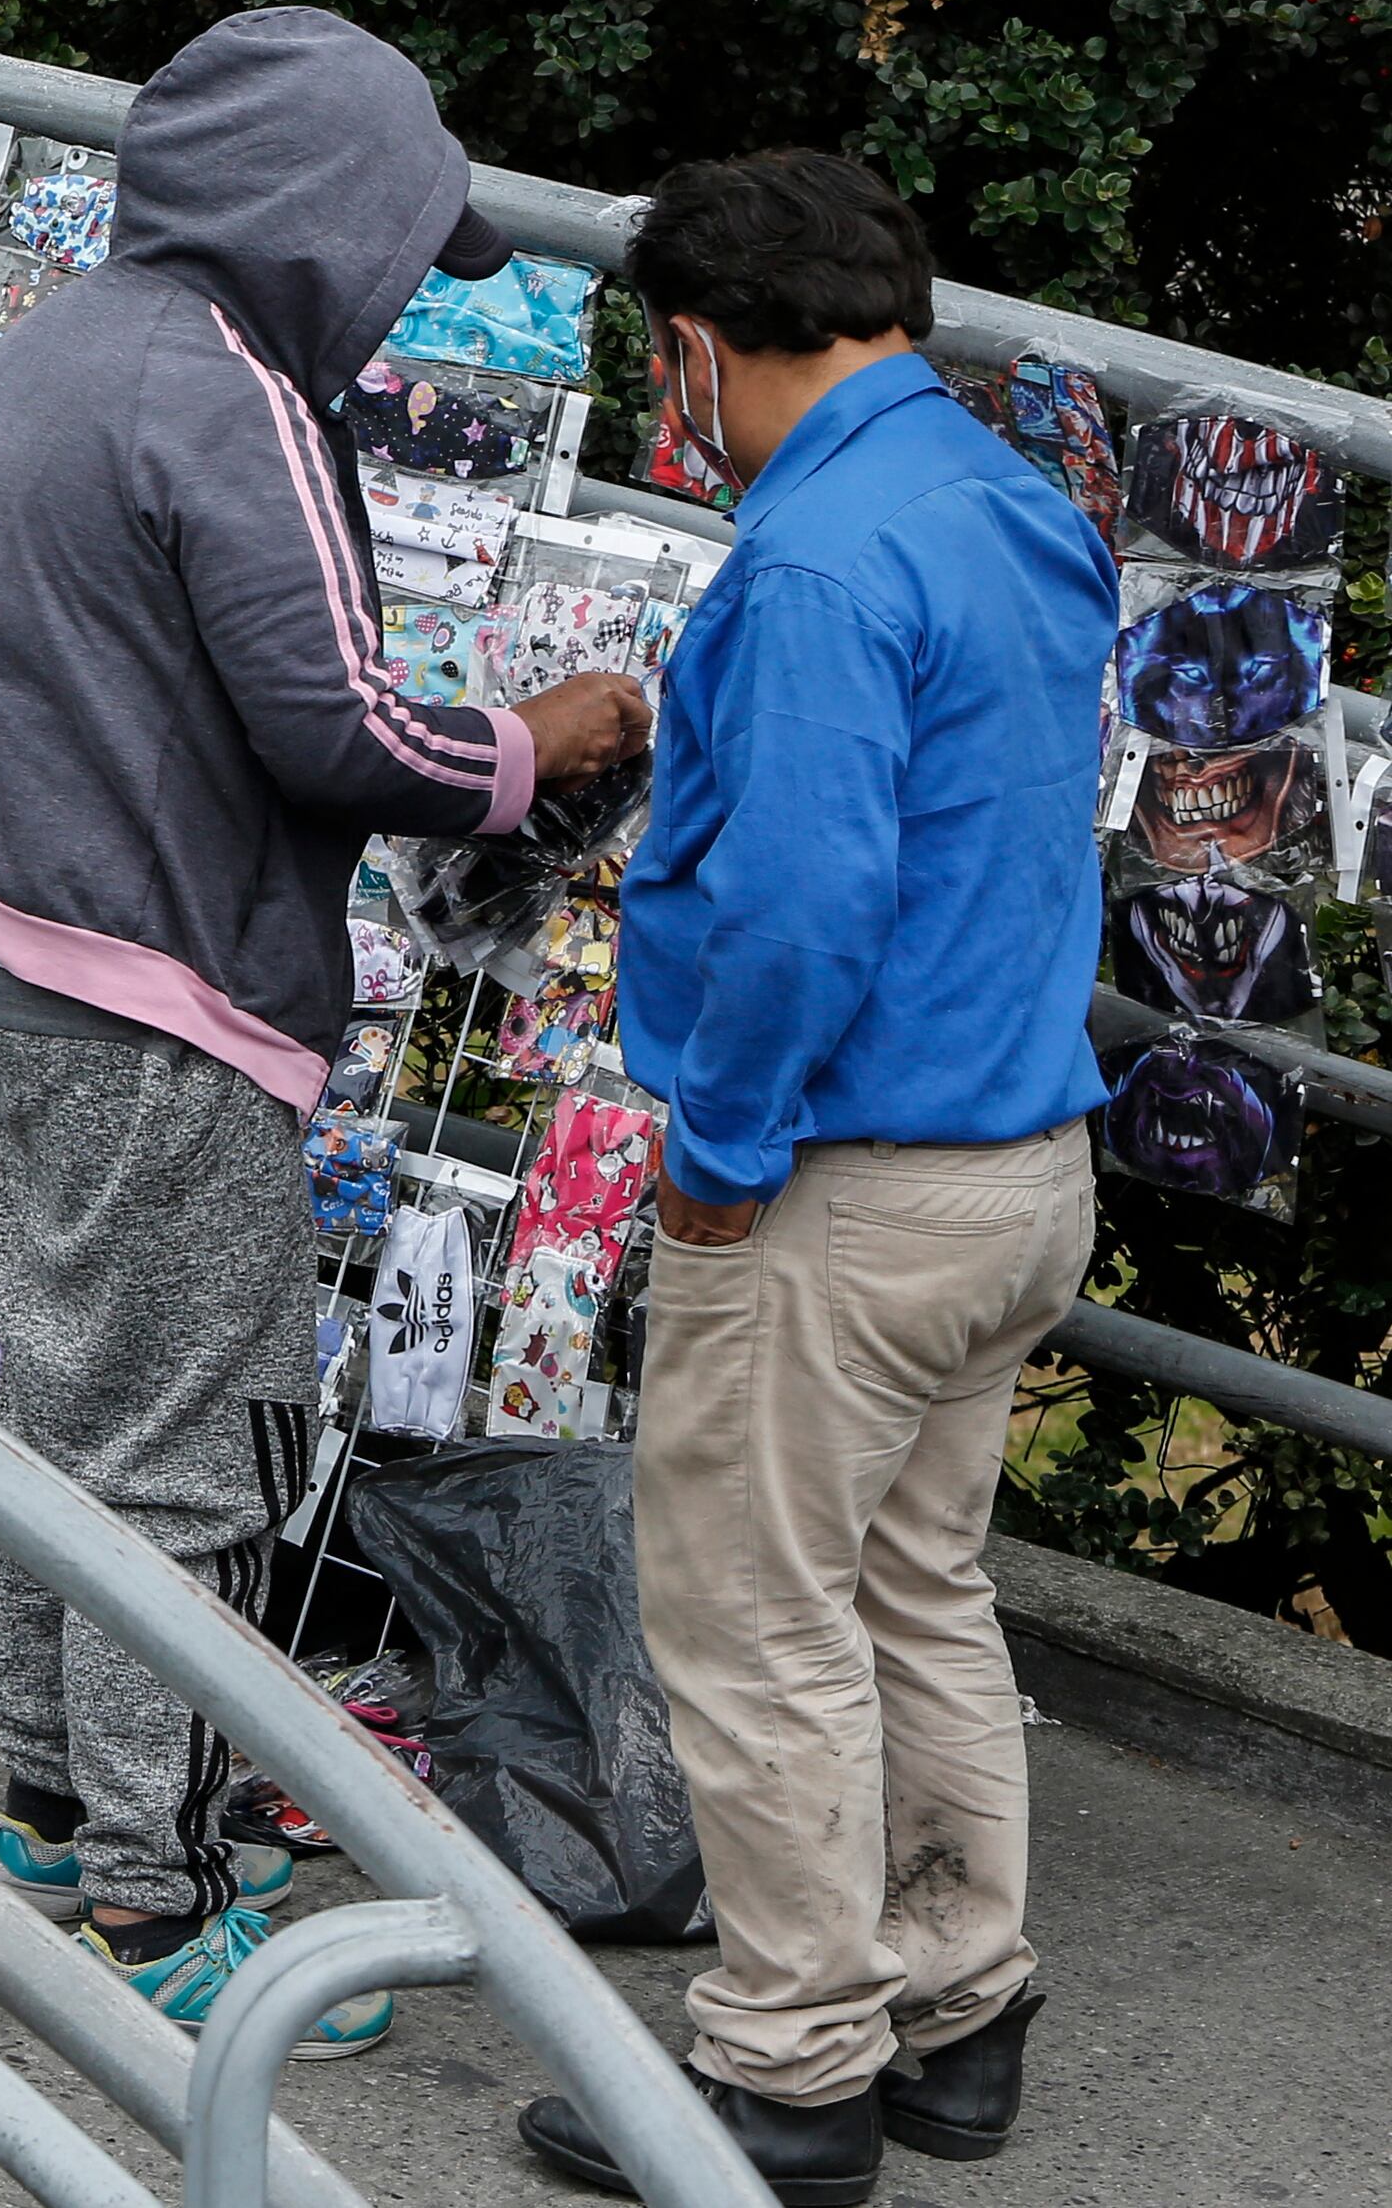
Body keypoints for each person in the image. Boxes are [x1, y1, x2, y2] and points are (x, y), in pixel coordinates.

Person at [0, 6, 650, 2051]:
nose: (407, 301)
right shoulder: (227, 399)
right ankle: (164, 1904)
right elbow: (342, 721)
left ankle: (51, 1810)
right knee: (192, 1458)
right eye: (404, 251)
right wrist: (538, 740)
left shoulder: (69, 339)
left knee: (68, 1407)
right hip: (157, 990)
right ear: (321, 222)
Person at [517, 155, 1115, 2208]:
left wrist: (719, 1151)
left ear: (694, 347)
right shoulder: (1008, 500)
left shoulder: (809, 567)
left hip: (842, 1189)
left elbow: (790, 907)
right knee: (914, 1589)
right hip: (1021, 1160)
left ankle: (783, 2079)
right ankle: (960, 2012)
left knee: (756, 1622)